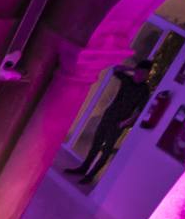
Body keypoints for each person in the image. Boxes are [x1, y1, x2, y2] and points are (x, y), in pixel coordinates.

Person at [65, 56, 154, 184]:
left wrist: (125, 123)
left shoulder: (144, 90)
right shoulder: (127, 80)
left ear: (147, 75)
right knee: (96, 143)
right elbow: (116, 69)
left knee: (106, 150)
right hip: (109, 115)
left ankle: (90, 176)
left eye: (144, 73)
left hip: (120, 123)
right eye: (139, 72)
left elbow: (139, 110)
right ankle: (83, 168)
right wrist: (132, 69)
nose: (141, 75)